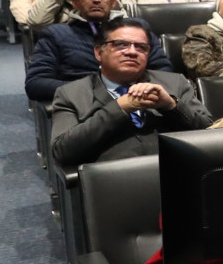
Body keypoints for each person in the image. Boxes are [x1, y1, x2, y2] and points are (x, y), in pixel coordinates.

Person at [48, 17, 210, 173]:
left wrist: (171, 106)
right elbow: (62, 151)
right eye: (121, 45)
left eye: (141, 47)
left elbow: (208, 131)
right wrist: (120, 108)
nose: (132, 52)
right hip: (113, 182)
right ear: (98, 52)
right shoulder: (71, 94)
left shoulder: (174, 82)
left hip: (176, 175)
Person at [25, 0, 172, 101]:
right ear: (75, 2)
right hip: (86, 105)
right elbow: (36, 84)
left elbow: (164, 71)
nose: (96, 0)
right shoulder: (56, 34)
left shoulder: (137, 29)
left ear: (113, 2)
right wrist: (96, 91)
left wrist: (141, 89)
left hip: (138, 98)